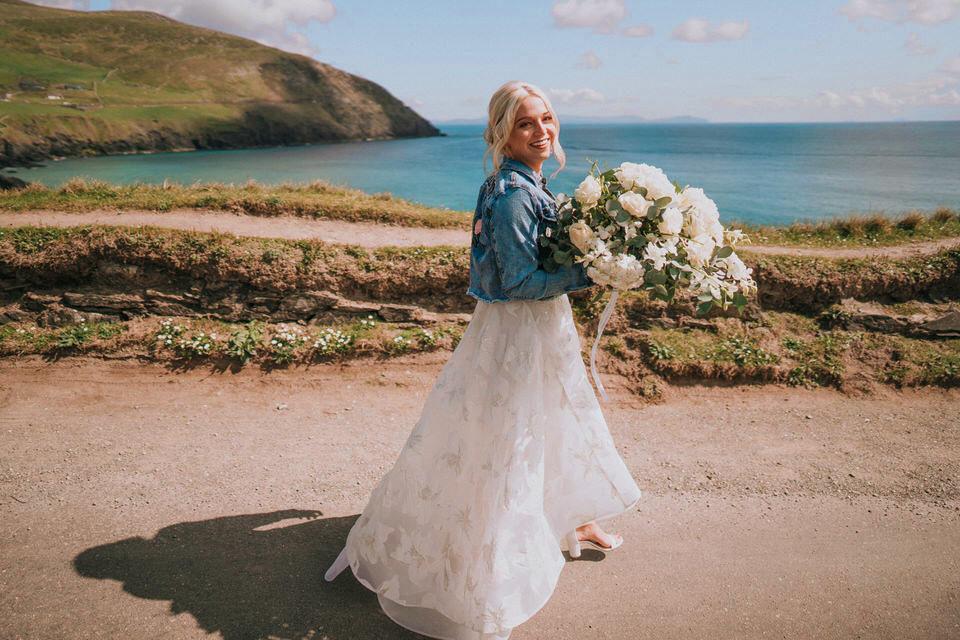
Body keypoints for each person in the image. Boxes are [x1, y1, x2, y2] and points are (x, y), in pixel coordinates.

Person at [324, 81, 641, 640]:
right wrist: (593, 274)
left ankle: (570, 516)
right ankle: (487, 567)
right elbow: (519, 281)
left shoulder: (521, 181)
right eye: (525, 123)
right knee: (511, 435)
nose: (541, 131)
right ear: (503, 132)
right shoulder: (514, 193)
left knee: (556, 419)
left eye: (546, 119)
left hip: (536, 327)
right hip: (520, 331)